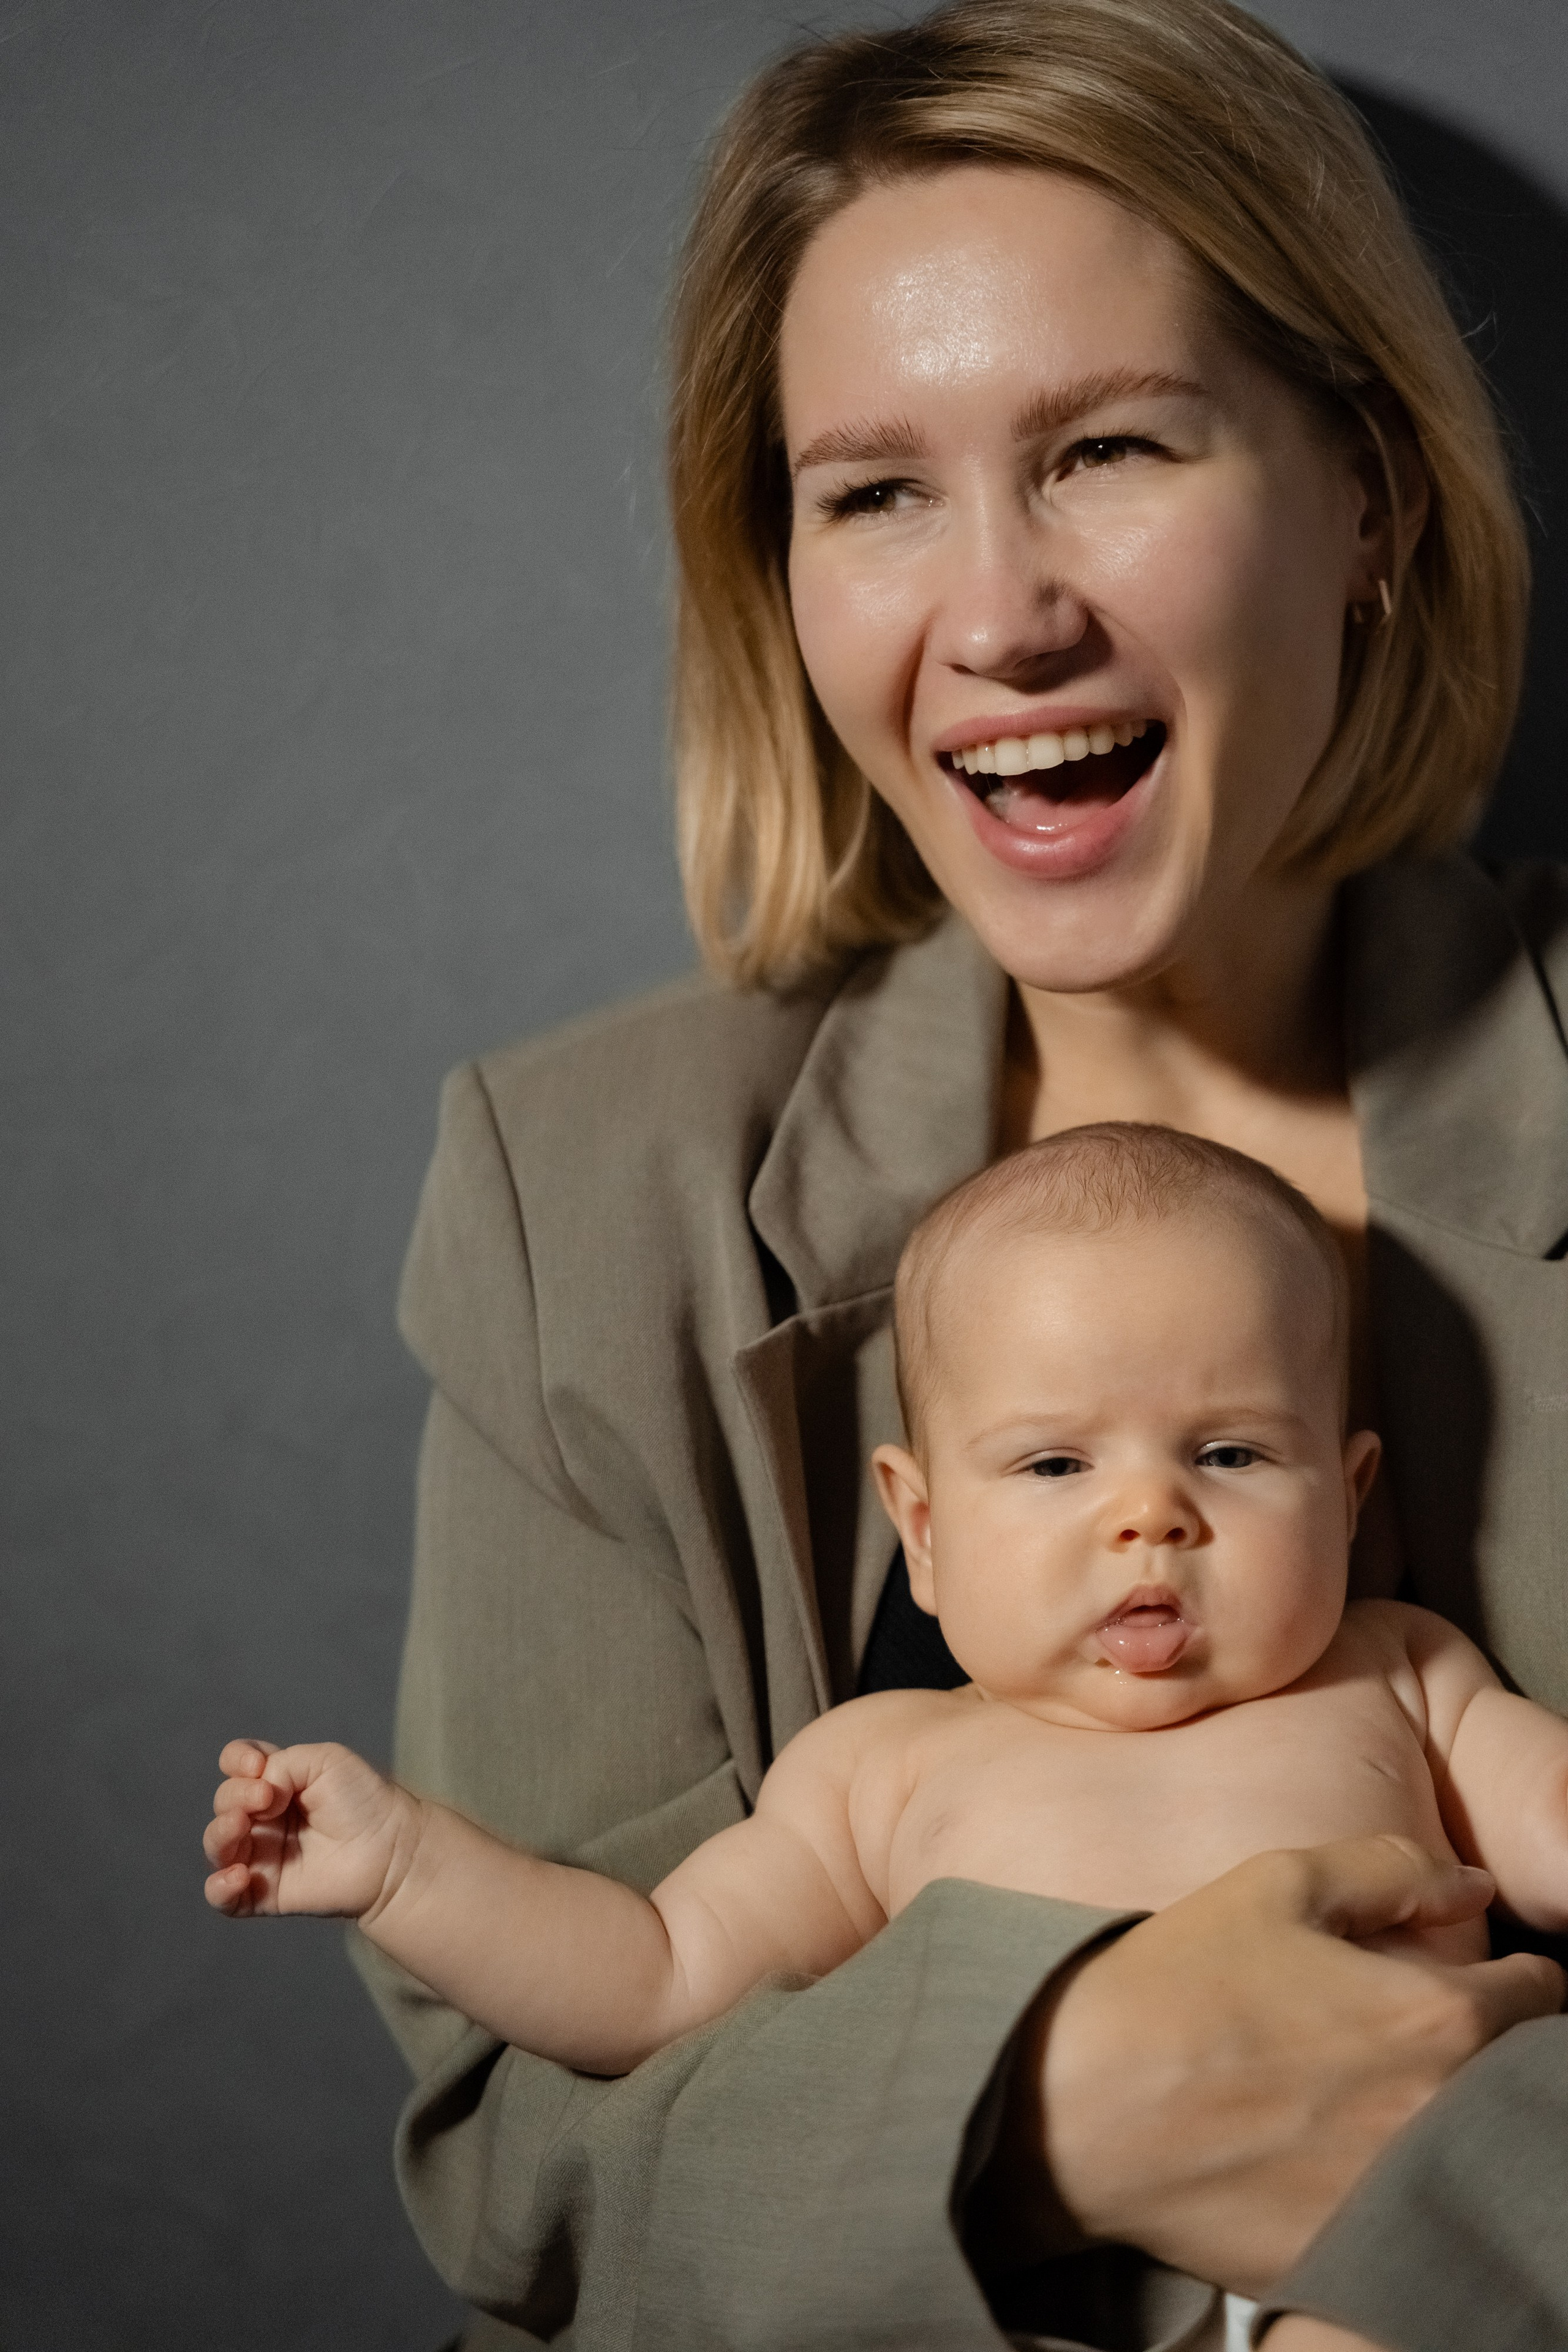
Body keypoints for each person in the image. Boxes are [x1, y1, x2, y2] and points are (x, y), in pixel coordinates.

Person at [347, 2, 1568, 2346]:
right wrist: (1064, 2102)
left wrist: (1430, 2191)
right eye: (874, 490)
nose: (999, 619)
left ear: (1374, 501)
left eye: (1107, 446)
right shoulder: (583, 1195)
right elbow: (535, 2156)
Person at [206, 1128, 1568, 2352]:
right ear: (921, 1531)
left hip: (1362, 2271)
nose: (1148, 1515)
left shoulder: (1400, 1672)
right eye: (1053, 1465)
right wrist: (407, 1872)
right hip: (1000, 2292)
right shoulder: (882, 1768)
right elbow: (649, 1981)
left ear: (1347, 1495)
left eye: (1226, 1454)